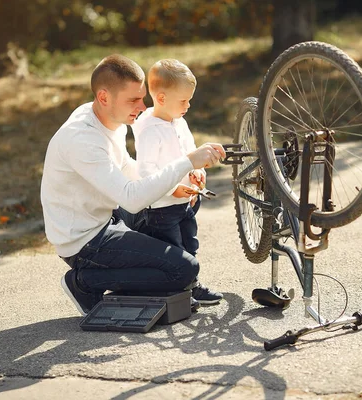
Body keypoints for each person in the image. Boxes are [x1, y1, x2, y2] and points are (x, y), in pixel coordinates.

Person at [40, 54, 225, 316]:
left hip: (110, 216)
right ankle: (83, 282)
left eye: (142, 98)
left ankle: (149, 278)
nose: (142, 107)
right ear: (104, 97)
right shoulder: (81, 138)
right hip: (85, 241)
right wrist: (187, 162)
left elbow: (128, 167)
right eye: (133, 100)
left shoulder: (112, 119)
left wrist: (178, 181)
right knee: (183, 269)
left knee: (166, 216)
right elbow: (133, 198)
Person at [132, 59, 222, 305]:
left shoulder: (179, 122)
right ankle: (178, 291)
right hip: (162, 208)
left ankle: (191, 286)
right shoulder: (150, 130)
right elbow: (146, 171)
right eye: (183, 101)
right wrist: (172, 189)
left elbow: (190, 153)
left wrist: (199, 173)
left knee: (190, 243)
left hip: (186, 201)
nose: (188, 105)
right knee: (173, 248)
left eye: (189, 100)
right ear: (161, 99)